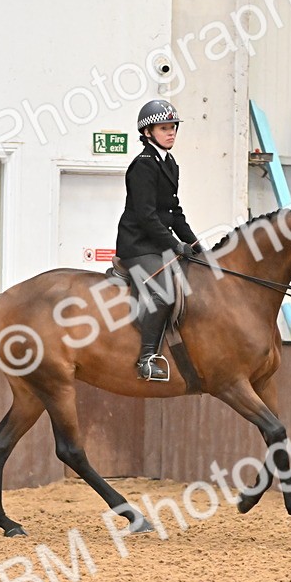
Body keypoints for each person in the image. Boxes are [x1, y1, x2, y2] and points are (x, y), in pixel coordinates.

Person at [115, 99, 202, 381]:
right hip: (138, 244)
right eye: (164, 128)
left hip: (156, 243)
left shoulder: (170, 163)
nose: (171, 133)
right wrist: (175, 245)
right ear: (148, 133)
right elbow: (147, 216)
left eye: (173, 128)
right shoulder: (143, 165)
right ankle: (147, 358)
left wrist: (196, 244)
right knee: (164, 292)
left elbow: (174, 212)